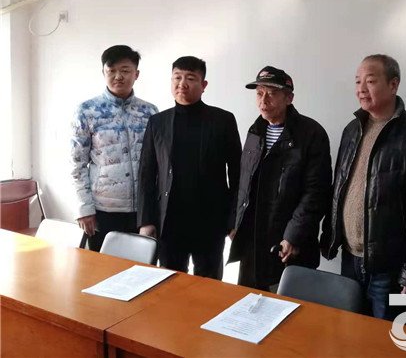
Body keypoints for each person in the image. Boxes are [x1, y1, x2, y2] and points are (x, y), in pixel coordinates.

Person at [320, 54, 406, 320]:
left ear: (393, 84)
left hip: (392, 268)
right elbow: (339, 189)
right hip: (350, 259)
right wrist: (330, 237)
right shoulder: (352, 130)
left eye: (370, 81)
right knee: (349, 333)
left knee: (387, 337)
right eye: (357, 82)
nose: (361, 89)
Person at [137, 56, 241, 279]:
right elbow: (146, 174)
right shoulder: (157, 122)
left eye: (190, 78)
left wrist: (234, 220)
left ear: (204, 85)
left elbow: (238, 175)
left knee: (209, 283)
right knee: (169, 282)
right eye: (177, 77)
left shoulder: (223, 120)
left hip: (210, 220)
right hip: (169, 220)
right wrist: (146, 220)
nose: (182, 84)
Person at [229, 66, 332, 290]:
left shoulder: (311, 134)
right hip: (253, 243)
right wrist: (235, 223)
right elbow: (243, 183)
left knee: (290, 305)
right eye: (259, 93)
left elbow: (316, 193)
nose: (263, 100)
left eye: (272, 93)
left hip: (289, 244)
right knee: (249, 303)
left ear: (289, 98)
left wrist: (294, 236)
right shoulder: (255, 131)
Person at [71, 45, 158, 251]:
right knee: (103, 267)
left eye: (125, 70)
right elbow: (77, 164)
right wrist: (84, 208)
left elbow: (157, 163)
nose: (118, 76)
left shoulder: (150, 112)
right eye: (111, 71)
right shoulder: (87, 111)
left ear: (136, 74)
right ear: (103, 73)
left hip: (142, 210)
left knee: (142, 265)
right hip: (103, 209)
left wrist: (154, 209)